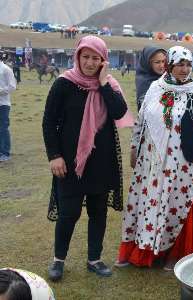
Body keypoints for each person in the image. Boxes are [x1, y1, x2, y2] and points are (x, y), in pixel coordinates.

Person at [117, 46, 193, 270]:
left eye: (188, 65)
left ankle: (178, 254)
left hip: (184, 163)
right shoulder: (156, 88)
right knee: (153, 203)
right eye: (180, 64)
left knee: (179, 204)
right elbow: (142, 119)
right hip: (153, 162)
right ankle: (149, 249)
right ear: (169, 65)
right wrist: (133, 148)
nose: (184, 69)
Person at [42, 35, 133, 282]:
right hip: (70, 163)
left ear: (103, 61)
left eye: (96, 58)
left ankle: (94, 259)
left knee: (98, 212)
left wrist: (103, 84)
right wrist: (55, 156)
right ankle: (58, 261)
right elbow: (49, 121)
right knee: (68, 212)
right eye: (86, 57)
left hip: (101, 161)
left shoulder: (109, 85)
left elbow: (119, 112)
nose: (90, 63)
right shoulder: (64, 83)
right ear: (78, 56)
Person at [135, 46, 166, 111]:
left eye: (163, 61)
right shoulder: (144, 82)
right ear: (148, 63)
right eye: (157, 62)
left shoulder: (168, 78)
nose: (162, 66)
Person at [0, 52, 17, 162]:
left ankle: (5, 152)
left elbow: (12, 86)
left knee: (2, 128)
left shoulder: (6, 69)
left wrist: (0, 91)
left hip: (3, 104)